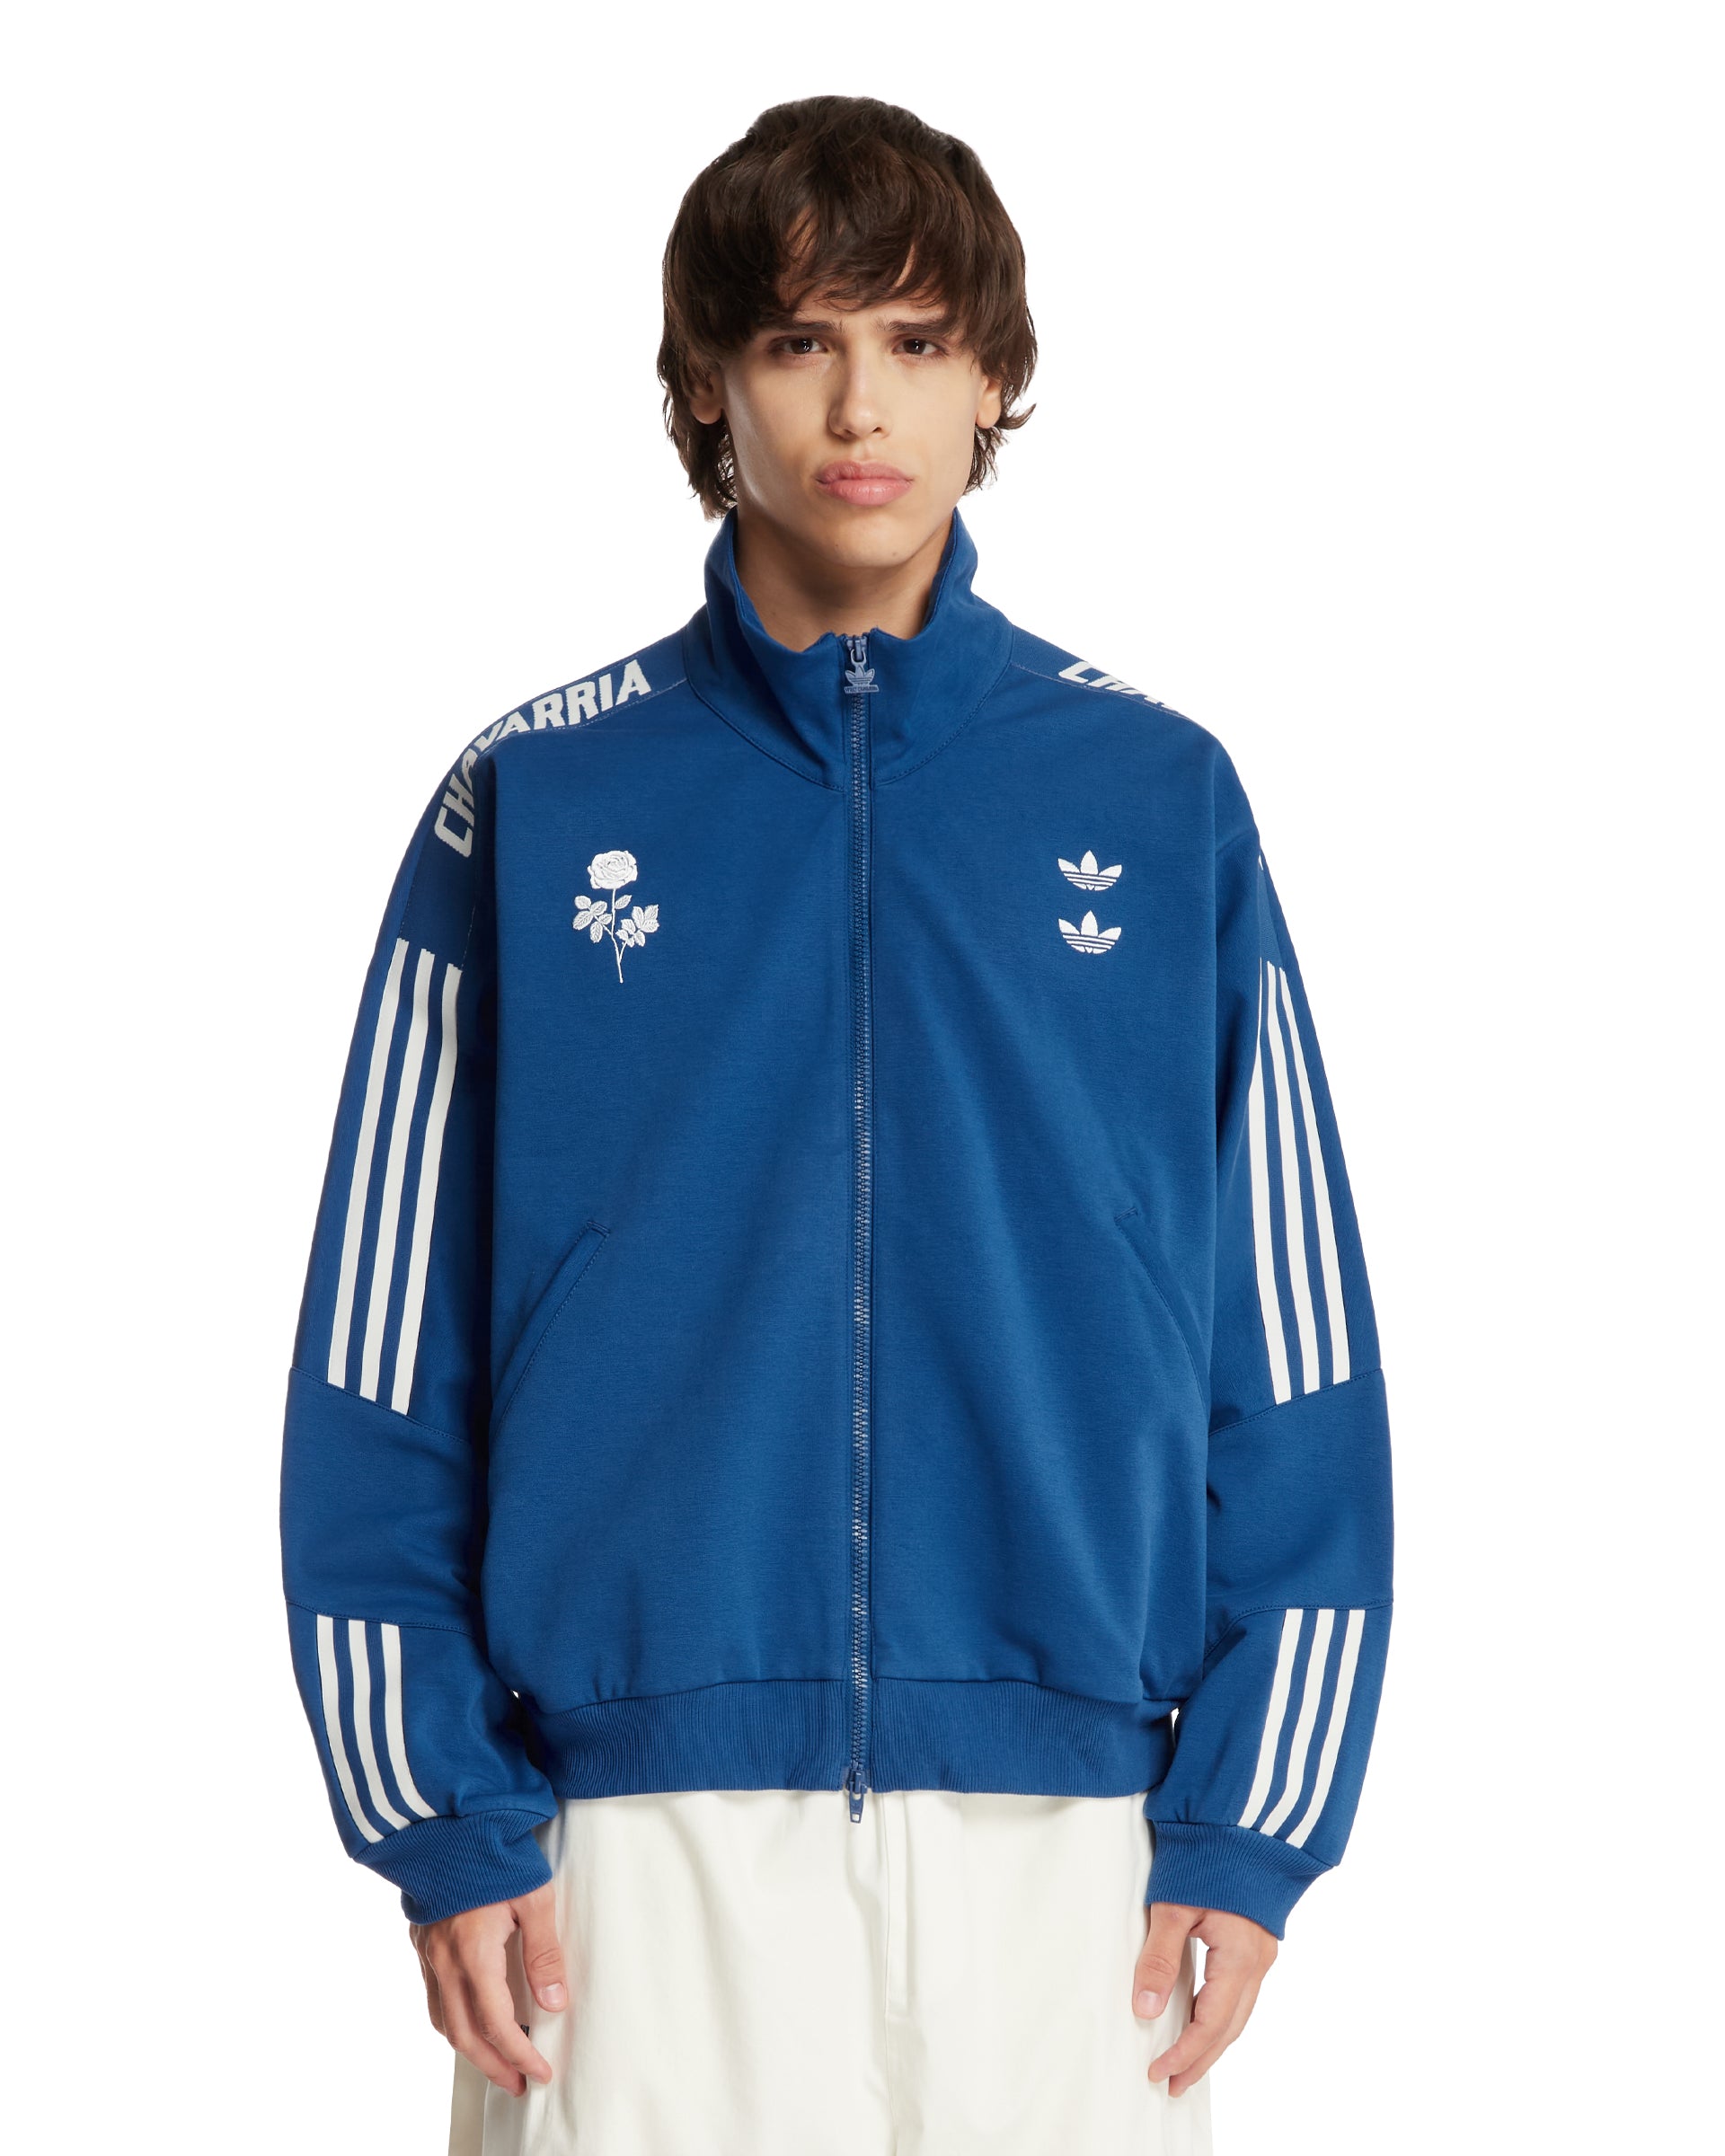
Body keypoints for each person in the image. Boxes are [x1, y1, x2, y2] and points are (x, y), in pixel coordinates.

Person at [279, 93, 1394, 2156]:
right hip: (627, 1851)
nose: (859, 406)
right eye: (798, 342)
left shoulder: (1161, 801)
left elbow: (1291, 1344)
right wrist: (438, 1809)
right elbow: (382, 1356)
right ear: (712, 386)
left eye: (915, 339)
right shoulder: (535, 802)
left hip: (1074, 1845)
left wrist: (1255, 1820)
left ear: (994, 382)